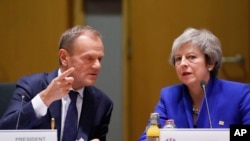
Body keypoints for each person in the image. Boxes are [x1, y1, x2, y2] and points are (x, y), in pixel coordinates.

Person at [0, 25, 113, 141]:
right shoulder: (32, 86)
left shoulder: (102, 104)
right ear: (64, 58)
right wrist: (45, 98)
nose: (97, 66)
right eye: (89, 58)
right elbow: (4, 133)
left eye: (99, 59)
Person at [138, 27, 250, 140]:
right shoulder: (169, 96)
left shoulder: (239, 94)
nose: (183, 64)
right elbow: (147, 138)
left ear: (210, 63)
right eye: (178, 59)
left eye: (191, 57)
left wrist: (225, 135)